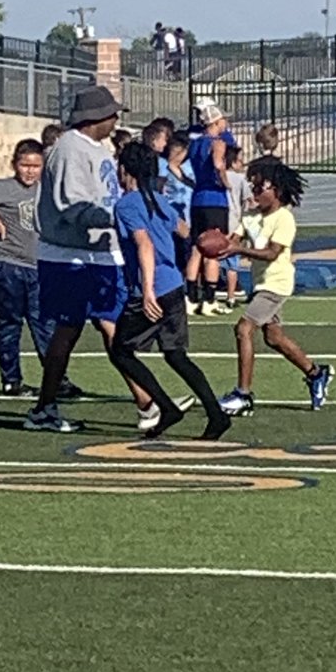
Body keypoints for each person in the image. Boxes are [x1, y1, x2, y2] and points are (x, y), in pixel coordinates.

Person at [27, 85, 169, 434]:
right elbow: (72, 206)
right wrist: (119, 217)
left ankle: (147, 401)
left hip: (99, 253)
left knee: (111, 326)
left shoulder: (99, 149)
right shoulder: (69, 150)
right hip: (70, 254)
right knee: (72, 330)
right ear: (96, 117)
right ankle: (144, 401)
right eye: (112, 113)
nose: (117, 119)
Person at [110, 141, 231, 440]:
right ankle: (215, 414)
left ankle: (165, 406)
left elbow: (144, 245)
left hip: (153, 289)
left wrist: (147, 290)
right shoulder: (160, 200)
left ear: (124, 170)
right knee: (176, 355)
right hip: (175, 285)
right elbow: (185, 231)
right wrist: (210, 241)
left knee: (121, 351)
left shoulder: (126, 204)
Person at [218, 156, 334, 417]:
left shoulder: (284, 219)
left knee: (243, 328)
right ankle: (316, 373)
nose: (255, 192)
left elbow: (272, 253)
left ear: (277, 191)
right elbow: (233, 238)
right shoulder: (250, 215)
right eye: (253, 187)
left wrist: (238, 248)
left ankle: (243, 394)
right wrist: (219, 245)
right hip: (260, 283)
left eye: (260, 188)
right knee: (273, 338)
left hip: (277, 283)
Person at [0, 138, 81, 399]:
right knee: (9, 323)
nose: (29, 171)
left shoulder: (48, 189)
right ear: (15, 165)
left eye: (35, 165)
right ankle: (11, 380)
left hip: (39, 266)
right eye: (24, 165)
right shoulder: (5, 188)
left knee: (44, 323)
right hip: (8, 264)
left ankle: (56, 378)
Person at [185, 101, 237, 315]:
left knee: (197, 248)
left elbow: (180, 163)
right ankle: (209, 299)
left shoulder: (195, 143)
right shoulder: (217, 142)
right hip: (215, 200)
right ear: (216, 121)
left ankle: (190, 297)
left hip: (197, 199)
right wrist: (225, 181)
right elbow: (217, 164)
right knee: (213, 250)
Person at [220, 143, 252, 313]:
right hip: (234, 222)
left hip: (219, 219)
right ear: (233, 162)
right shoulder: (240, 179)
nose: (242, 164)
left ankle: (205, 293)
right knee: (233, 263)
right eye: (240, 161)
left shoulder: (218, 175)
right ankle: (231, 295)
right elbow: (248, 200)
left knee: (211, 257)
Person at [162, 130, 195, 273]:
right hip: (171, 211)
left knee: (187, 250)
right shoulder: (163, 166)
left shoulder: (188, 167)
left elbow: (192, 183)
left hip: (188, 213)